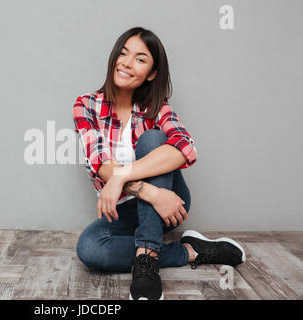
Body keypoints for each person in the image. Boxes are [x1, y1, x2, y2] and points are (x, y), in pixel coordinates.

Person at [72, 27, 246, 300]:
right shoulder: (87, 104)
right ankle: (192, 251)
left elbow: (185, 147)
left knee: (153, 139)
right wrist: (151, 193)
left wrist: (120, 177)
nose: (127, 63)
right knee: (90, 248)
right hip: (135, 206)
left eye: (140, 59)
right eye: (124, 53)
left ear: (152, 73)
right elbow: (100, 165)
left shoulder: (157, 106)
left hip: (172, 201)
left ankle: (147, 260)